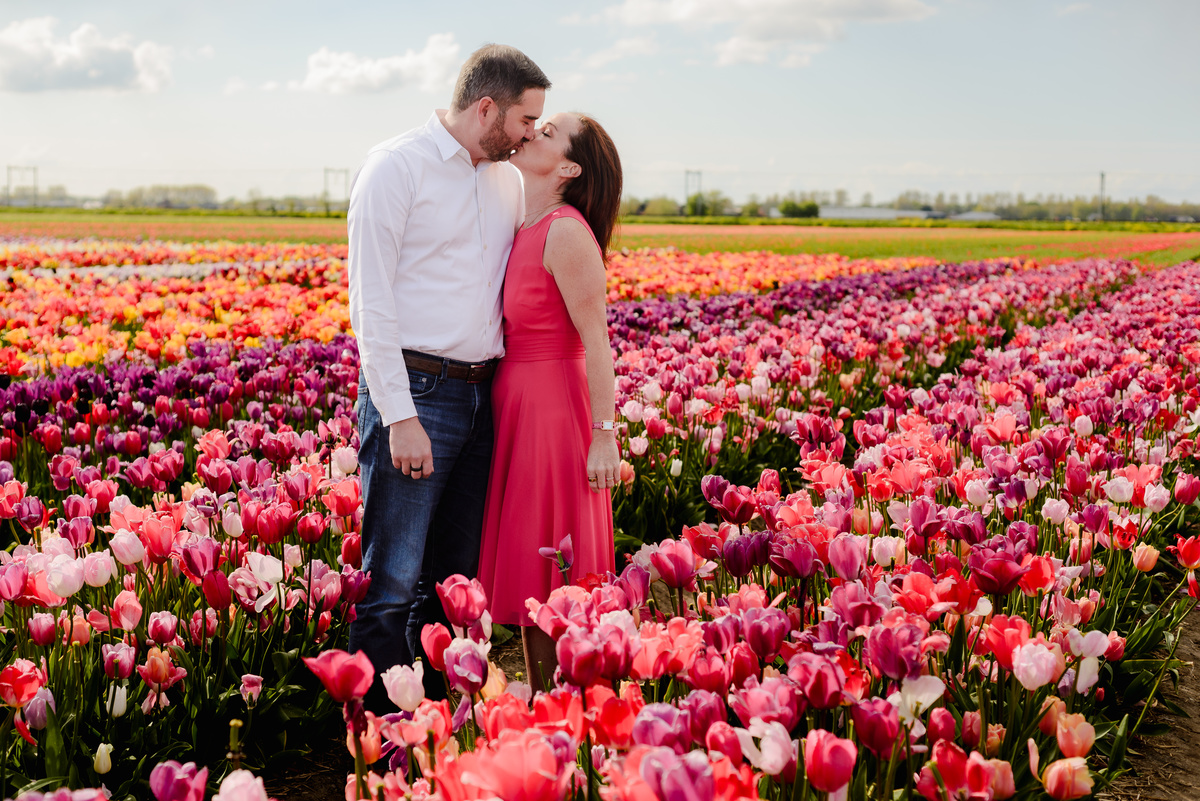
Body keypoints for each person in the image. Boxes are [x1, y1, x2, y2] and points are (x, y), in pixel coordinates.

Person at [346, 44, 550, 709]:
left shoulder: (506, 182)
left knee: (453, 579)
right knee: (394, 579)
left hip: (479, 392)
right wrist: (399, 415)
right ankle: (378, 736)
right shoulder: (395, 168)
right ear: (486, 106)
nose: (529, 134)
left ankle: (434, 720)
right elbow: (370, 303)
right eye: (525, 119)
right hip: (417, 390)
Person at [477, 111, 623, 690]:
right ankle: (547, 701)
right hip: (516, 404)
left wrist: (604, 435)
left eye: (549, 130)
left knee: (555, 568)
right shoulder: (523, 222)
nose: (533, 131)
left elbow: (597, 342)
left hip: (554, 411)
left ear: (567, 166)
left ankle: (569, 703)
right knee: (531, 565)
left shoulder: (565, 230)